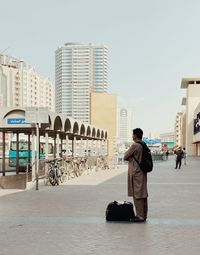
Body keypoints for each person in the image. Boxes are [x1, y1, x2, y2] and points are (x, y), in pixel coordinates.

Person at [124, 128, 148, 223]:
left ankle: (139, 216)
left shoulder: (135, 145)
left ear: (136, 135)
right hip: (142, 172)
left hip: (136, 173)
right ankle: (144, 214)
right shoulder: (143, 144)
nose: (132, 136)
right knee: (143, 194)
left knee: (137, 194)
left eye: (133, 134)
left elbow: (125, 156)